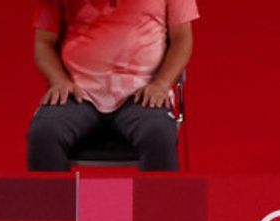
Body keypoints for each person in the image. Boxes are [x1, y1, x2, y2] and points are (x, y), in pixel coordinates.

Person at [28, 0, 198, 171]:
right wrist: (58, 80)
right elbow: (44, 42)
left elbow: (181, 39)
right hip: (78, 91)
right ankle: (52, 198)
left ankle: (159, 199)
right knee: (44, 133)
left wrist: (161, 84)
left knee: (158, 135)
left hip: (142, 92)